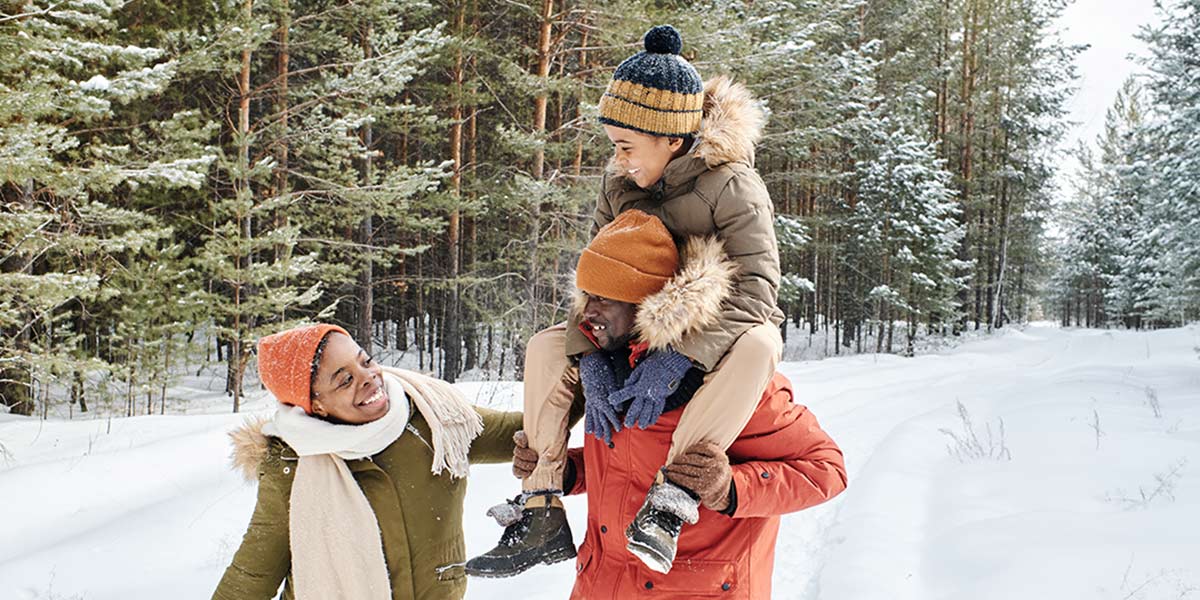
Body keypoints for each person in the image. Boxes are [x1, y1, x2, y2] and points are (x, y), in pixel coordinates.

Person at [467, 23, 786, 577]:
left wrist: (682, 355)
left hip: (710, 325)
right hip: (632, 322)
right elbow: (596, 279)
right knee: (547, 347)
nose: (619, 159)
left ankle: (671, 500)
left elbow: (758, 290)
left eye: (626, 146)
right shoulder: (618, 183)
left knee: (762, 343)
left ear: (671, 137)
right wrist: (592, 356)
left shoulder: (733, 186)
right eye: (614, 146)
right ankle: (540, 506)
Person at [519, 212, 846, 597]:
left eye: (603, 299)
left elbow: (827, 471)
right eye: (586, 296)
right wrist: (569, 472)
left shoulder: (730, 383)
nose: (587, 313)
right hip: (601, 585)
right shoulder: (606, 372)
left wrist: (729, 489)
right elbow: (627, 466)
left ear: (648, 305)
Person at [212, 323, 523, 600]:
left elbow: (527, 431)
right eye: (344, 380)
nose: (369, 379)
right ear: (315, 405)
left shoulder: (433, 417)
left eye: (366, 361)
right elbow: (254, 573)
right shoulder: (293, 463)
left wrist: (569, 368)